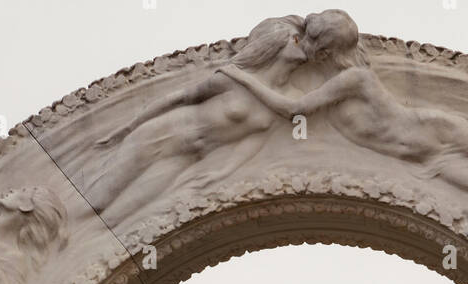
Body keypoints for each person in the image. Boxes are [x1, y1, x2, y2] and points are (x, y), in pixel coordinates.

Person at [218, 8, 468, 201]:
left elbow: (293, 111)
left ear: (330, 50)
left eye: (317, 44)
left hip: (438, 131)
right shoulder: (336, 80)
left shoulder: (353, 80)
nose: (309, 48)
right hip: (427, 159)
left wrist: (243, 77)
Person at [88, 14, 310, 219]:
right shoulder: (231, 77)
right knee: (95, 203)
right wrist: (127, 128)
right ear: (275, 42)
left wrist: (225, 170)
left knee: (120, 217)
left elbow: (256, 138)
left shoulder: (290, 97)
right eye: (296, 38)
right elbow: (180, 98)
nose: (304, 44)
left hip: (186, 158)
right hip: (159, 135)